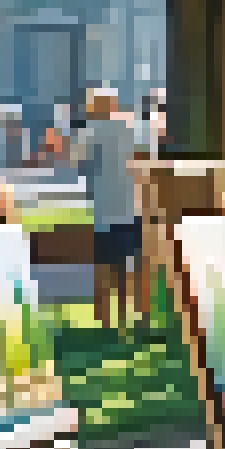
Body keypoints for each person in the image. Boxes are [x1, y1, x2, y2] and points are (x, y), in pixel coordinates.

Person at [67, 87, 150, 330]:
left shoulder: (90, 132)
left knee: (105, 270)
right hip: (131, 207)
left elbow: (75, 161)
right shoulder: (129, 128)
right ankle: (137, 317)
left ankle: (107, 322)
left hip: (106, 211)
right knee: (131, 267)